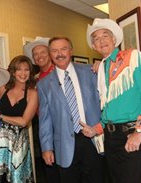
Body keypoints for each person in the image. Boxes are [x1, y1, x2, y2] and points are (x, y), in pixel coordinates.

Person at [85, 18, 141, 183]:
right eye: (96, 38)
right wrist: (95, 130)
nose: (101, 40)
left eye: (105, 35)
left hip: (130, 133)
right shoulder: (102, 68)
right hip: (110, 138)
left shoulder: (133, 57)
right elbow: (108, 110)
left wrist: (139, 132)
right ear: (93, 46)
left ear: (113, 39)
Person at [37, 36, 105, 183]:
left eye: (63, 49)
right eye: (54, 50)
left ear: (71, 51)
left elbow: (106, 100)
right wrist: (46, 148)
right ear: (50, 54)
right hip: (64, 145)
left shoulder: (92, 71)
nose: (59, 54)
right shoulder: (43, 84)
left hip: (93, 139)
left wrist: (104, 64)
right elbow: (44, 120)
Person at [0, 55, 38, 183]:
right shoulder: (2, 88)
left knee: (18, 178)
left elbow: (24, 121)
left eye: (26, 69)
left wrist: (2, 117)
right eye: (19, 69)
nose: (23, 73)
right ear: (13, 72)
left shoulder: (32, 93)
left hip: (18, 142)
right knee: (0, 177)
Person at [23, 37, 60, 183]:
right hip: (42, 127)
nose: (39, 56)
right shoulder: (34, 80)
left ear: (50, 53)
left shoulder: (60, 72)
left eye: (42, 52)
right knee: (49, 170)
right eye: (35, 54)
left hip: (62, 126)